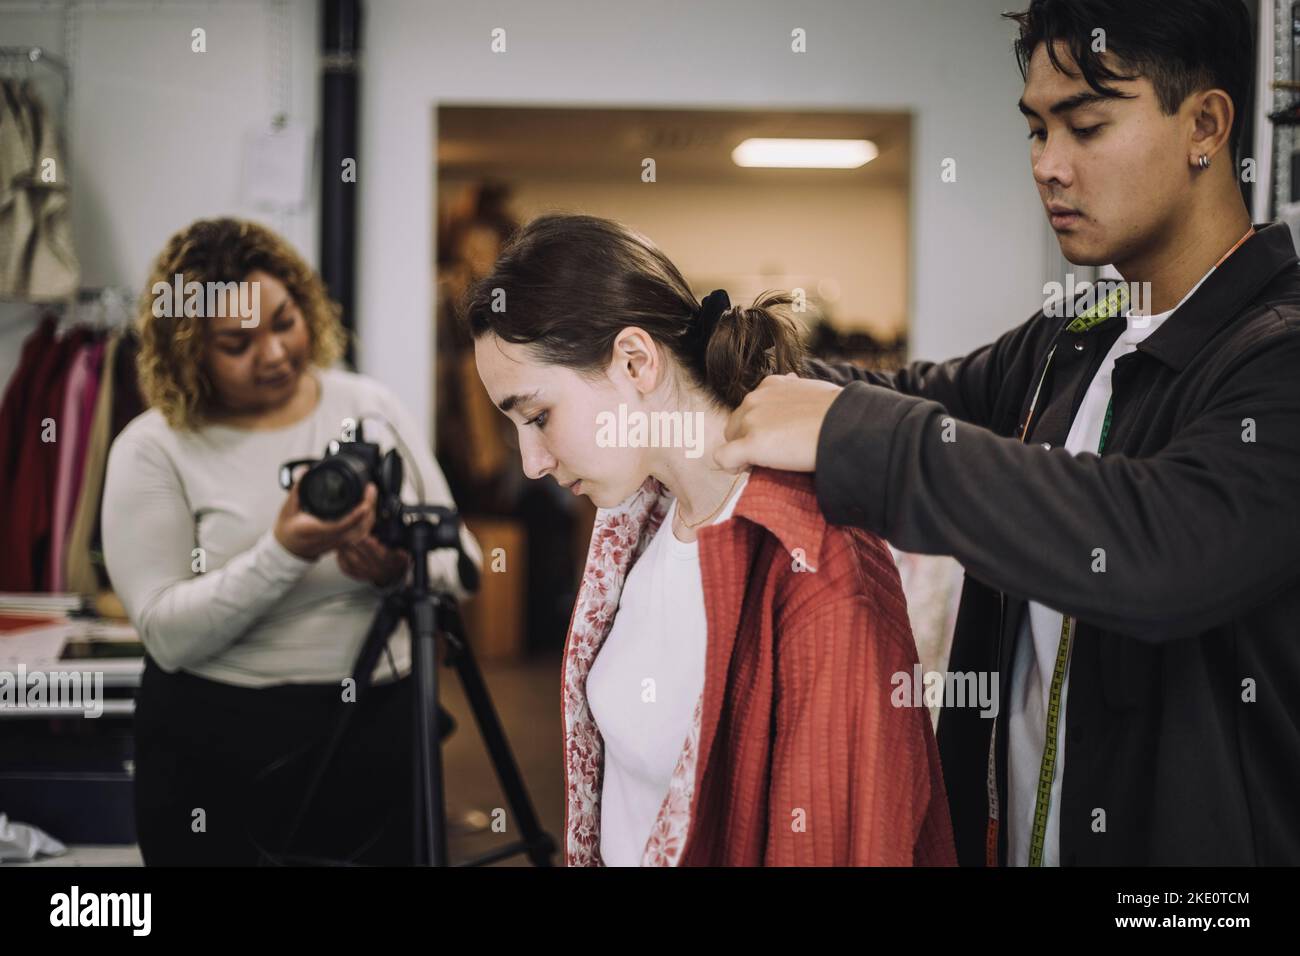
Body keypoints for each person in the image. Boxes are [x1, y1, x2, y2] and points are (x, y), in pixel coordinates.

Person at [716, 0, 1300, 866]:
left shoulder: (1278, 352)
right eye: (1035, 131)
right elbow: (913, 395)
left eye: (1087, 126)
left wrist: (858, 435)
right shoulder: (1077, 335)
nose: (1048, 167)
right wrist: (712, 361)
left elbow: (1157, 547)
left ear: (1205, 126)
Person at [465, 213, 956, 866]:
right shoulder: (641, 526)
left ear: (635, 361)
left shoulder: (811, 561)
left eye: (538, 417)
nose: (531, 462)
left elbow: (846, 837)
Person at [102, 217, 482, 865]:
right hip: (219, 745)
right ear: (187, 348)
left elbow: (464, 564)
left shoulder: (369, 408)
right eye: (237, 342)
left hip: (378, 726)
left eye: (285, 321)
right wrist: (284, 554)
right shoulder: (153, 448)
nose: (274, 353)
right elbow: (166, 634)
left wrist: (399, 569)